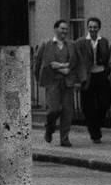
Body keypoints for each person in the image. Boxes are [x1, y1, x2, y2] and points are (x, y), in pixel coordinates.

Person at [34, 18, 84, 146]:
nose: (65, 31)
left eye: (66, 29)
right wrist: (39, 78)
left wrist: (61, 66)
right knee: (53, 110)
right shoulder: (46, 44)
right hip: (52, 82)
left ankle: (64, 138)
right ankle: (49, 129)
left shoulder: (71, 45)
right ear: (55, 29)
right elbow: (39, 63)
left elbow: (76, 63)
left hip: (67, 82)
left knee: (67, 111)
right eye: (62, 29)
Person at [74, 17, 111, 143]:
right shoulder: (81, 42)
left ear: (99, 28)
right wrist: (79, 79)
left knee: (105, 102)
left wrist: (106, 70)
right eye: (90, 27)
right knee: (88, 106)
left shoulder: (104, 41)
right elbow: (77, 61)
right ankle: (95, 134)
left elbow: (107, 59)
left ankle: (98, 123)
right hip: (87, 76)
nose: (92, 29)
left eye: (95, 27)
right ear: (87, 28)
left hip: (101, 74)